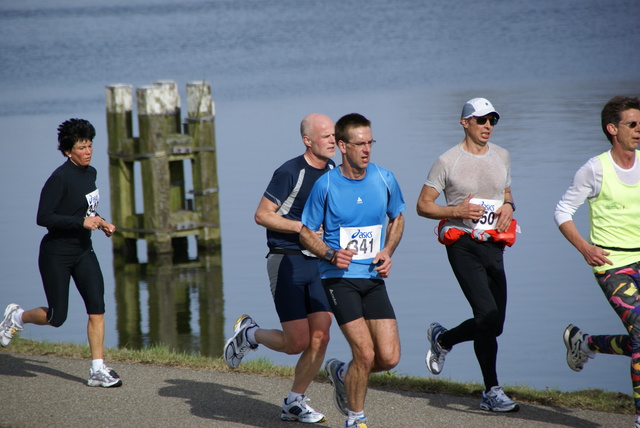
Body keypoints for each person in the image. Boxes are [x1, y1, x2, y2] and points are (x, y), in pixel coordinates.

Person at [223, 113, 336, 423]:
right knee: (296, 343)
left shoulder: (332, 171)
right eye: (326, 136)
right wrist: (301, 228)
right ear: (308, 140)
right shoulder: (290, 172)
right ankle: (251, 334)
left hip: (321, 262)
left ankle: (295, 401)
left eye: (334, 135)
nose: (332, 141)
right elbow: (262, 215)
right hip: (286, 259)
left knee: (321, 337)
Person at [299, 113, 405, 428]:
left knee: (389, 358)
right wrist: (330, 254)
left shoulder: (385, 178)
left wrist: (387, 251)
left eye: (370, 142)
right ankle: (355, 418)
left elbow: (397, 217)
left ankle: (343, 374)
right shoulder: (327, 185)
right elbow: (305, 231)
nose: (367, 149)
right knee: (365, 352)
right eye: (359, 144)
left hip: (373, 278)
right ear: (342, 146)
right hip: (338, 279)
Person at [0, 118, 122, 388]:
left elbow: (86, 211)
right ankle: (16, 317)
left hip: (83, 251)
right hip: (56, 254)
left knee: (97, 309)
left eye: (90, 145)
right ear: (68, 151)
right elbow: (44, 217)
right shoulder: (59, 178)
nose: (88, 151)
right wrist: (81, 223)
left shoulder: (91, 174)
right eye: (81, 147)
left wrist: (100, 222)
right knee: (57, 318)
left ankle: (97, 369)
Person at [416, 97, 519, 412]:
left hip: (493, 244)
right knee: (487, 315)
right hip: (462, 244)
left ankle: (443, 340)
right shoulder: (448, 161)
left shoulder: (502, 156)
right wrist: (454, 210)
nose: (488, 126)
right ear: (465, 123)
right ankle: (491, 392)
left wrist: (509, 207)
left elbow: (507, 195)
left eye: (492, 121)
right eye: (481, 120)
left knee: (495, 324)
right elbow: (423, 205)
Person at [555, 96, 640, 428]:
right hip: (611, 263)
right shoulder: (595, 169)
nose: (638, 129)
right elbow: (562, 212)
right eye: (632, 124)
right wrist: (584, 247)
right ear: (612, 129)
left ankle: (586, 343)